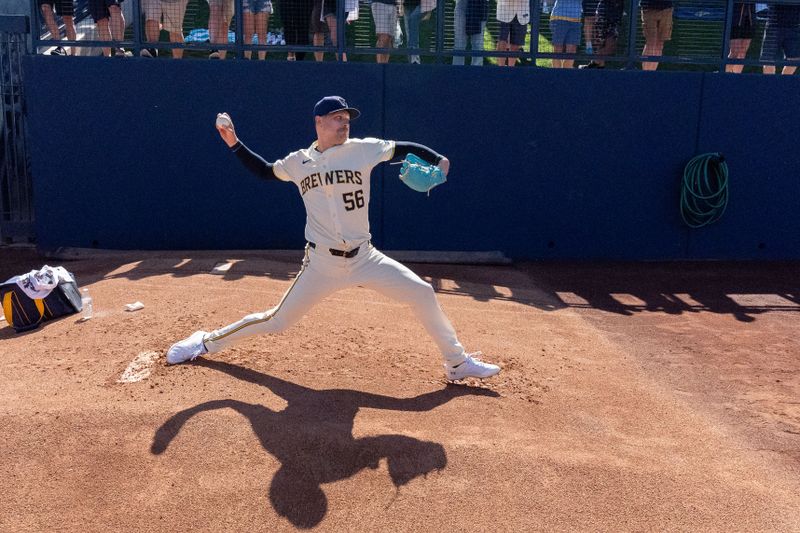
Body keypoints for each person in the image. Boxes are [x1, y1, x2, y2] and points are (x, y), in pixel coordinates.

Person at [166, 96, 502, 383]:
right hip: (322, 263)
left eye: (347, 119)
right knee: (277, 320)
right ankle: (204, 342)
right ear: (319, 122)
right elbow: (265, 171)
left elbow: (403, 148)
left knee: (422, 292)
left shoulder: (362, 150)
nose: (345, 124)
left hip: (365, 258)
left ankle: (456, 363)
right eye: (338, 118)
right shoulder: (298, 162)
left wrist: (438, 160)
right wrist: (234, 143)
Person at [579, 0, 622, 69]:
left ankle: (595, 61)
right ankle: (599, 64)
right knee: (600, 39)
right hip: (603, 9)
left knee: (611, 43)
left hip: (616, 10)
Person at [760, 2, 800, 75]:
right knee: (768, 60)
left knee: (795, 59)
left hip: (794, 25)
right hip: (774, 24)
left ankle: (782, 82)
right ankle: (769, 85)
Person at [640, 0, 673, 71]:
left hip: (666, 8)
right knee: (651, 43)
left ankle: (652, 72)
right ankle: (646, 73)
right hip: (649, 8)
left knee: (660, 44)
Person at [452, 0, 488, 66]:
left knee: (478, 44)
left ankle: (476, 72)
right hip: (461, 5)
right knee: (459, 43)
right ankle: (457, 72)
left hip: (480, 7)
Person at [495, 0, 529, 66]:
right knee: (502, 42)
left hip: (522, 13)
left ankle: (511, 70)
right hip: (504, 12)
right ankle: (500, 70)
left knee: (516, 46)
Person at [550, 0, 582, 68]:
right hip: (559, 17)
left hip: (576, 20)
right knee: (558, 48)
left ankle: (566, 75)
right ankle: (556, 75)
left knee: (572, 50)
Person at [726, 3, 756, 73]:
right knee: (735, 51)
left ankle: (736, 78)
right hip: (735, 17)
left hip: (749, 17)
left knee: (742, 52)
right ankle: (722, 76)